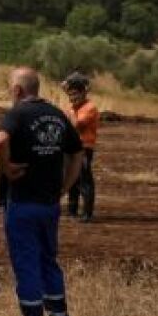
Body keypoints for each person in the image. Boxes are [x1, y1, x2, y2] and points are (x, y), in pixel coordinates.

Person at [0, 67, 84, 316]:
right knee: (48, 259)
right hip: (50, 203)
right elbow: (78, 152)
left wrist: (7, 167)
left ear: (18, 90)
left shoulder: (18, 113)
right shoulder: (57, 114)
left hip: (22, 202)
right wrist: (66, 186)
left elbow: (0, 140)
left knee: (26, 264)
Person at [62, 73, 99, 222]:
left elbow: (77, 125)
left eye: (76, 94)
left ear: (84, 93)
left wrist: (70, 112)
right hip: (72, 148)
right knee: (72, 179)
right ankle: (72, 210)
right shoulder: (73, 106)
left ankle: (87, 213)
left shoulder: (89, 108)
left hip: (84, 148)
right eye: (70, 94)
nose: (72, 97)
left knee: (85, 180)